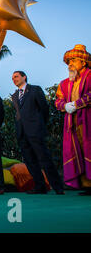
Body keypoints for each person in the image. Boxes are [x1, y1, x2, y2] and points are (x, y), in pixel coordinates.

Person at [11, 71, 64, 195]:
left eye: (16, 76)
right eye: (12, 78)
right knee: (30, 161)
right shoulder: (14, 95)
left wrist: (38, 125)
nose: (14, 79)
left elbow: (44, 109)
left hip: (35, 131)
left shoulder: (35, 90)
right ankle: (40, 186)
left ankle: (58, 187)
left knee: (44, 159)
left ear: (24, 77)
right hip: (22, 133)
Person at [55, 44, 91, 195]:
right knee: (76, 152)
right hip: (72, 124)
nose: (70, 64)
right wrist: (66, 105)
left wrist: (77, 104)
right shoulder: (64, 83)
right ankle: (86, 185)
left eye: (74, 60)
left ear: (83, 62)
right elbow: (57, 101)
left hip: (88, 120)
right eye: (68, 61)